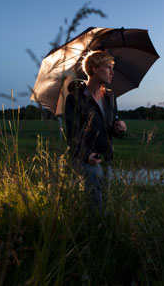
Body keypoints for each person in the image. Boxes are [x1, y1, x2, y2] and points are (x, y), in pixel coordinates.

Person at [64, 50, 127, 213]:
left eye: (112, 68)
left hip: (106, 156)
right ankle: (94, 229)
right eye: (108, 67)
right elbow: (72, 135)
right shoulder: (75, 98)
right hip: (85, 158)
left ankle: (100, 227)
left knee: (105, 197)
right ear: (94, 68)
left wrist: (119, 129)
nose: (113, 72)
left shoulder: (110, 97)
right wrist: (86, 155)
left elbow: (111, 128)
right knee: (95, 196)